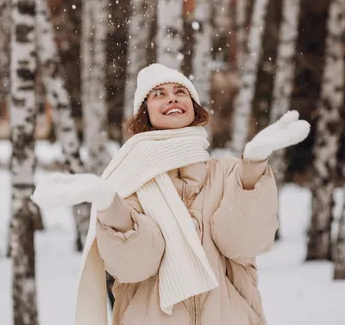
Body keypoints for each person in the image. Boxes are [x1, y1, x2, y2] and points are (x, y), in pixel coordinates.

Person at [32, 63, 311, 325]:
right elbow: (136, 265)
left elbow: (244, 242)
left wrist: (254, 162)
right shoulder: (128, 182)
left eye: (181, 93)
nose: (173, 99)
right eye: (159, 94)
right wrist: (107, 201)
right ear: (145, 112)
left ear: (194, 107)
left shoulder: (227, 173)